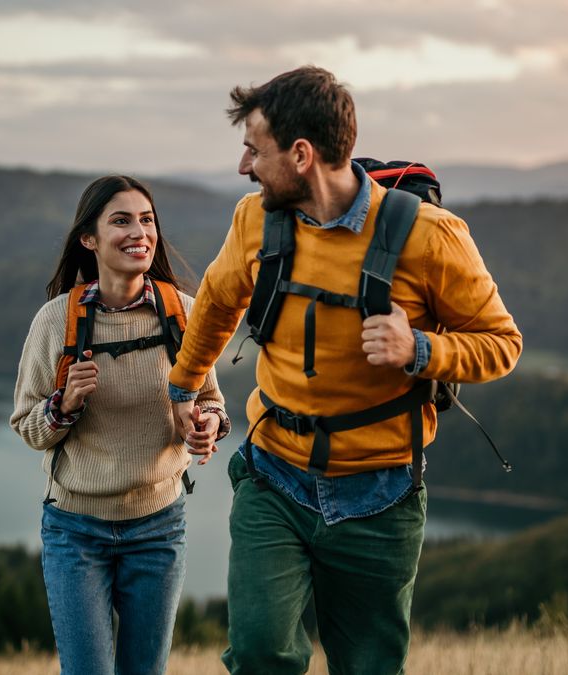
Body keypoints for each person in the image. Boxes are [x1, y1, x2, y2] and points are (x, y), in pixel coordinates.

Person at [167, 66, 522, 673]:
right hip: (273, 475)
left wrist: (420, 350)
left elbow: (501, 343)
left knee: (368, 665)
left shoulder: (429, 237)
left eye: (255, 148)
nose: (243, 166)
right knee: (258, 652)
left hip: (380, 494)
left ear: (301, 155)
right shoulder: (254, 220)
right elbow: (221, 302)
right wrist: (183, 385)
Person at [10, 175, 230, 675]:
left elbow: (213, 403)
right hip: (75, 531)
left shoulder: (183, 314)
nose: (140, 232)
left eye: (147, 220)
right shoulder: (55, 321)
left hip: (159, 526)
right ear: (89, 239)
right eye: (122, 220)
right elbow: (26, 424)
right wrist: (63, 405)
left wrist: (204, 426)